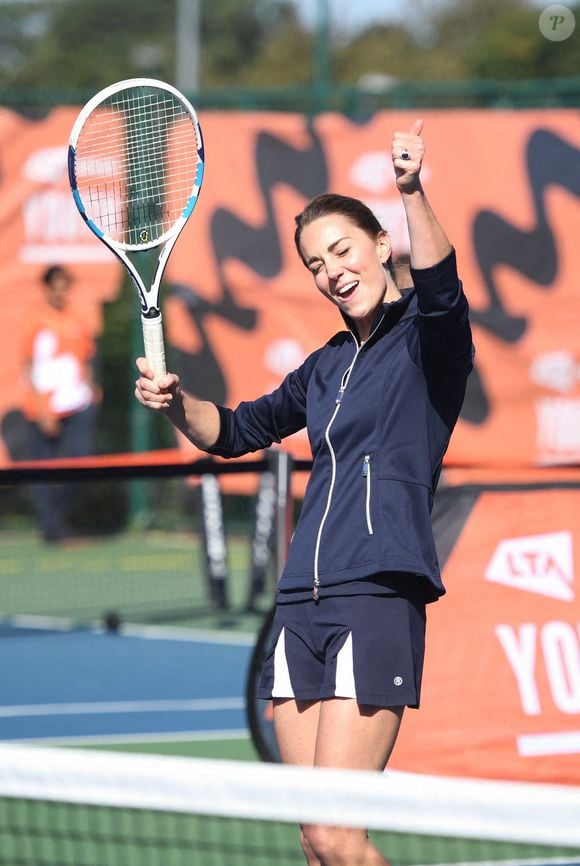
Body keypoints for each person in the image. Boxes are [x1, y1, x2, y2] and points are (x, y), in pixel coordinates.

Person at [135, 119, 473, 866]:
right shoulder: (320, 369)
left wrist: (412, 190)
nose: (332, 272)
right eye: (316, 264)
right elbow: (232, 430)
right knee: (312, 843)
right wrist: (175, 400)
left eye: (344, 250)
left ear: (382, 244)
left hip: (376, 596)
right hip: (299, 607)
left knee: (336, 835)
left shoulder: (429, 339)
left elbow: (444, 287)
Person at [21, 265, 99, 543]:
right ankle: (52, 529)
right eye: (57, 285)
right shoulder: (36, 322)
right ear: (47, 287)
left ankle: (56, 521)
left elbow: (86, 359)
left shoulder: (77, 318)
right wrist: (42, 411)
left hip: (76, 406)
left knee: (81, 464)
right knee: (42, 472)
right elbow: (29, 369)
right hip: (44, 410)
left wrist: (91, 391)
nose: (62, 290)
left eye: (65, 284)